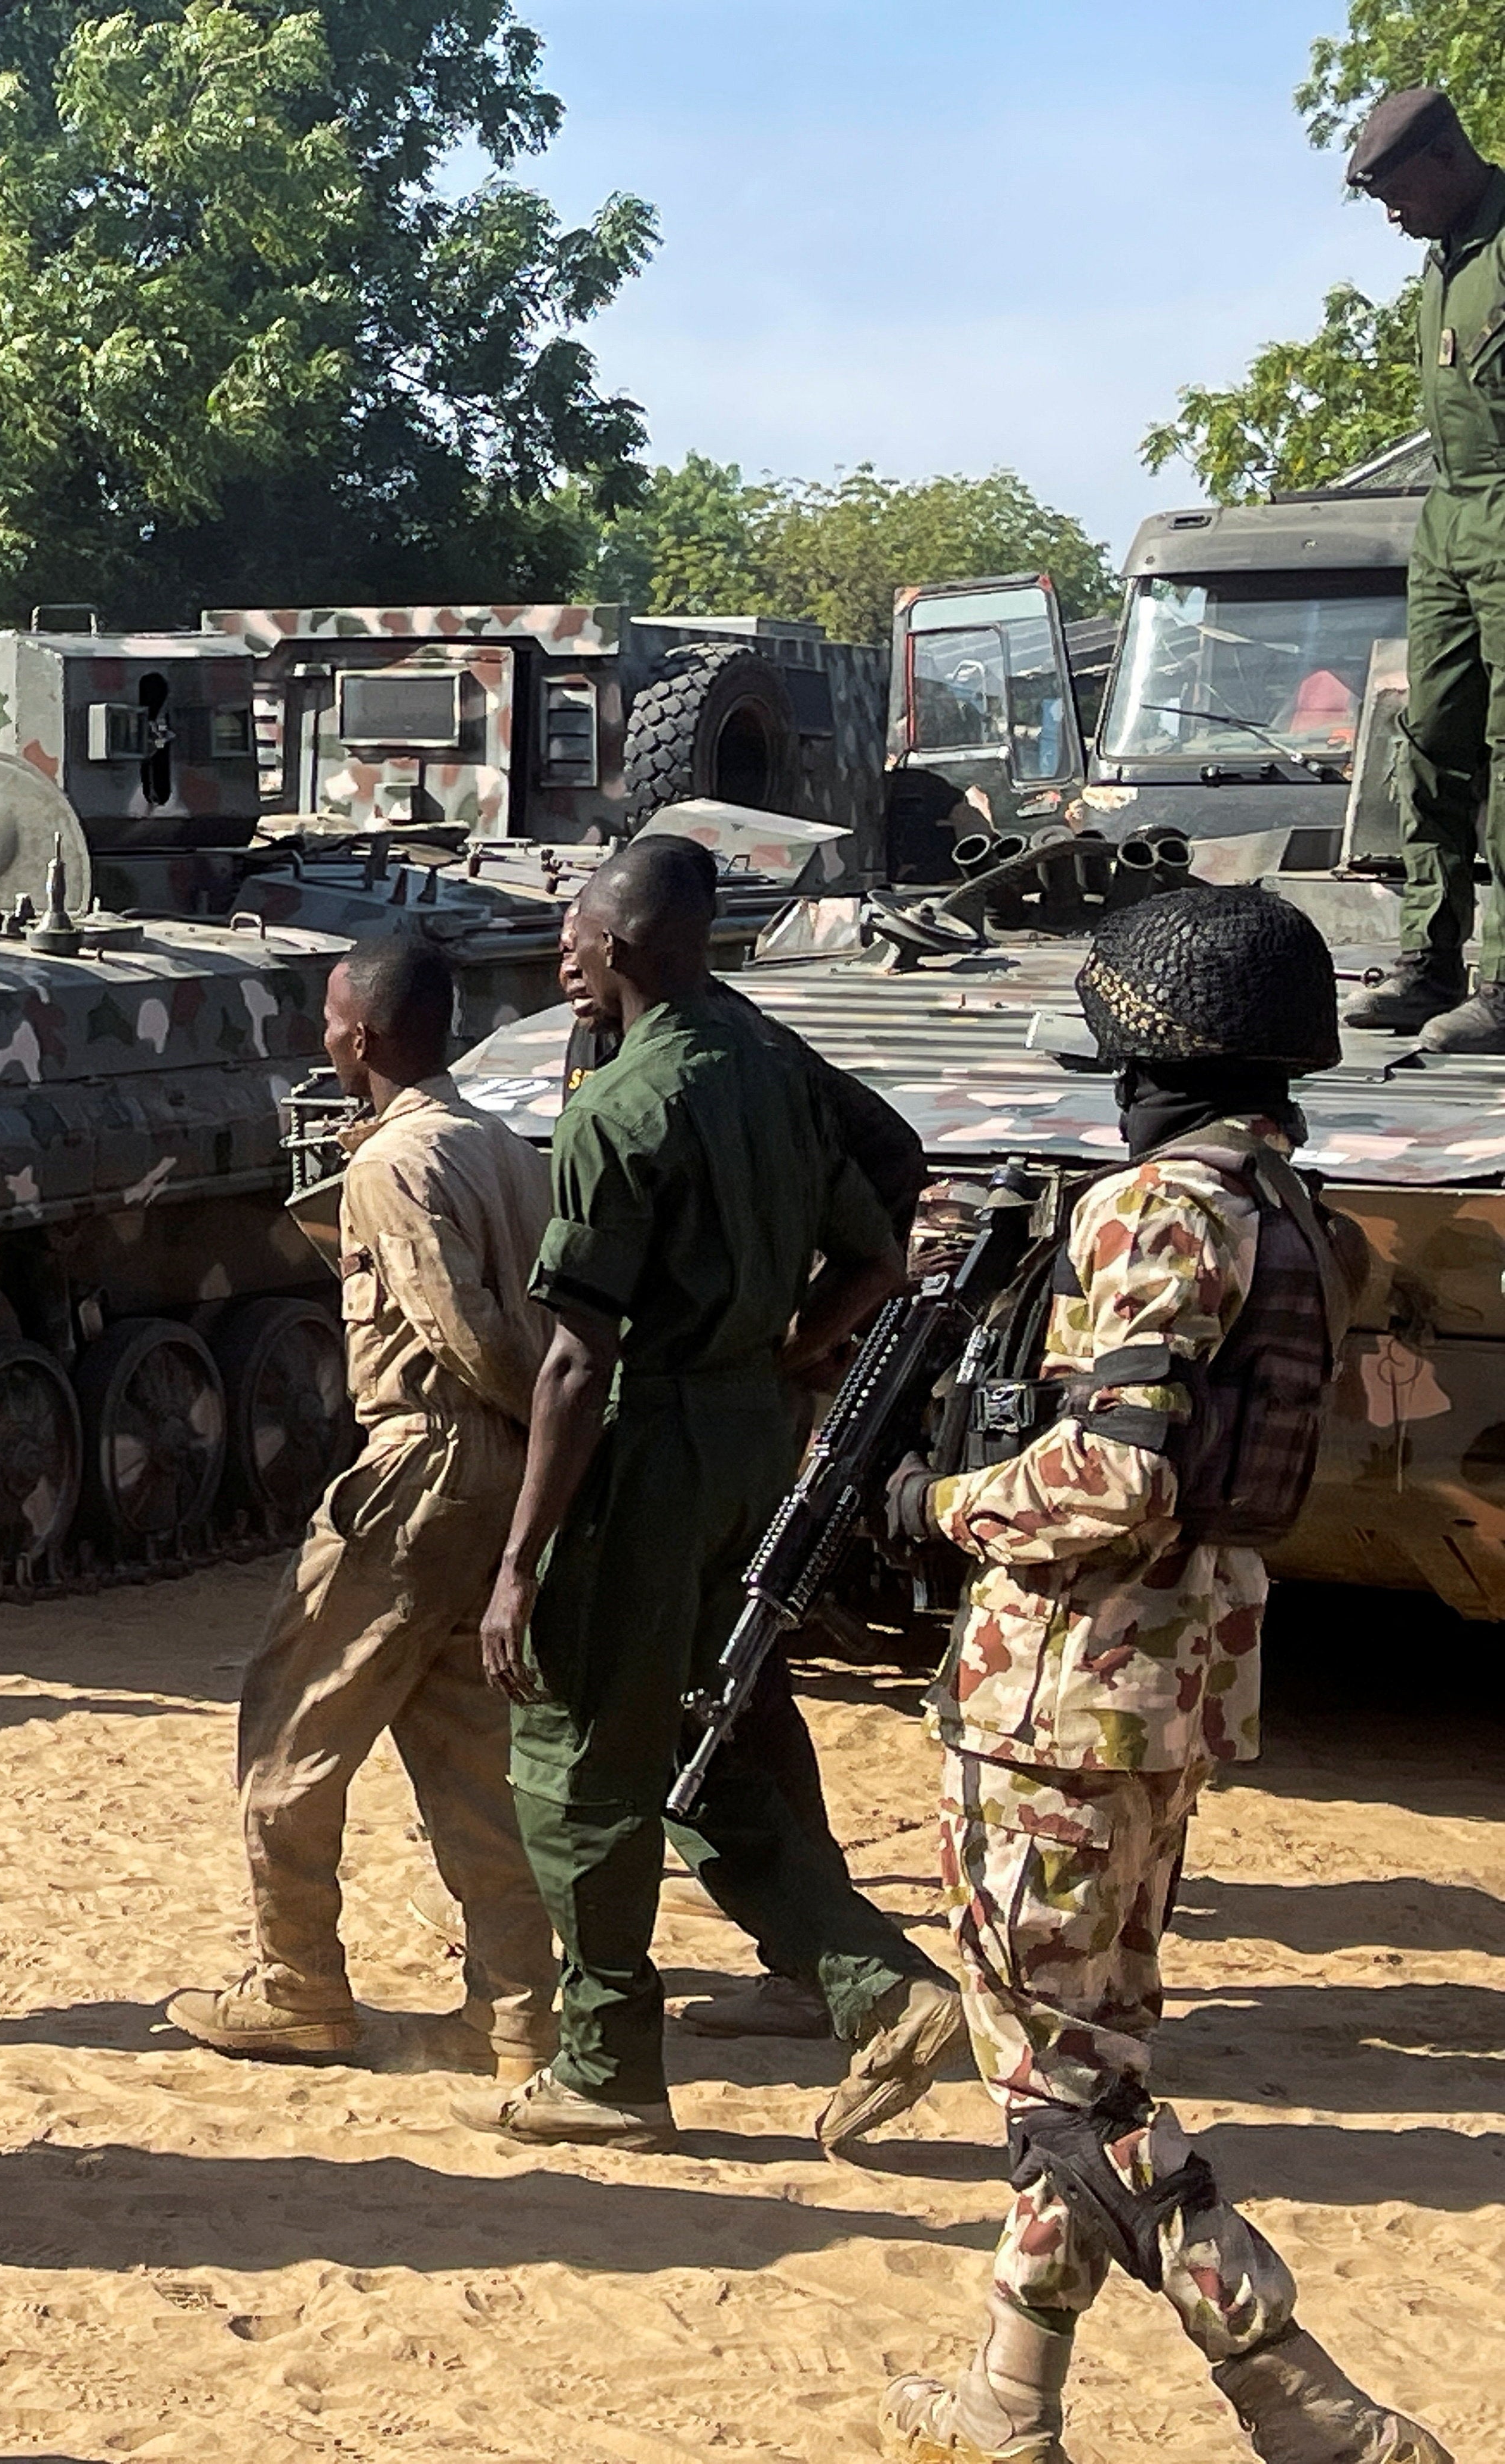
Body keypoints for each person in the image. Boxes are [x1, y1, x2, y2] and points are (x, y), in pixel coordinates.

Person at [882, 886, 1450, 2464]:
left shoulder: (1155, 1207)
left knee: (1066, 2088)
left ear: (1161, 1053)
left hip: (1058, 1691)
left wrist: (945, 1504)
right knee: (1089, 2045)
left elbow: (1119, 1476)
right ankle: (1008, 2395)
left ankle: (1294, 2389)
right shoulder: (1293, 1210)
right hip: (1173, 1687)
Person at [470, 836, 957, 2153]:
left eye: (570, 936)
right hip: (754, 1433)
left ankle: (606, 2061)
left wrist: (518, 1562)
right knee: (708, 1735)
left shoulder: (615, 1113)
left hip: (655, 1450)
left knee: (576, 1756)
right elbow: (883, 1232)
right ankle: (874, 1985)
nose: (559, 954)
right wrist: (796, 1346)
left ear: (618, 948)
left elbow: (576, 1362)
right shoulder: (765, 1059)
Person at [163, 934, 559, 2078]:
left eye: (332, 1019)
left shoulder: (393, 1164)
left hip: (424, 1461)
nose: (323, 1036)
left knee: (289, 1722)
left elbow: (460, 1329)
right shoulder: (500, 1145)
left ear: (364, 1036)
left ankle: (297, 1986)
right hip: (494, 1475)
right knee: (466, 1744)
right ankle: (519, 2011)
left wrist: (502, 1422)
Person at [1344, 88, 1505, 1051]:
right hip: (1449, 515)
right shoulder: (1444, 264)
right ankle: (1428, 962)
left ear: (1444, 161)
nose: (1392, 218)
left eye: (1396, 194)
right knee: (1434, 732)